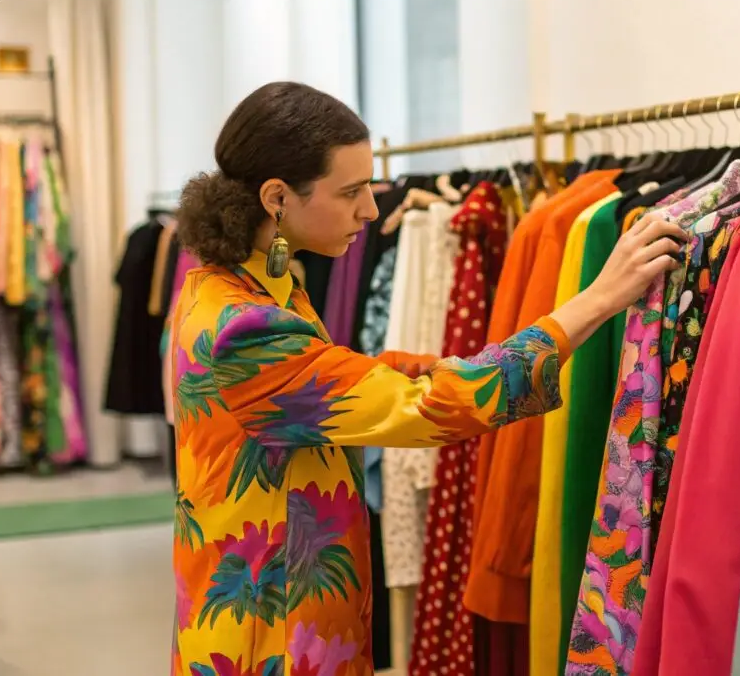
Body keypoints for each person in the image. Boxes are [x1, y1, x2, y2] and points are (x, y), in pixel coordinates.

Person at [169, 81, 686, 675]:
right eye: (352, 191)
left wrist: (442, 364)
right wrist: (593, 301)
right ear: (277, 197)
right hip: (271, 632)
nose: (370, 208)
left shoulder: (229, 284)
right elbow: (419, 407)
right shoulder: (246, 329)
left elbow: (342, 380)